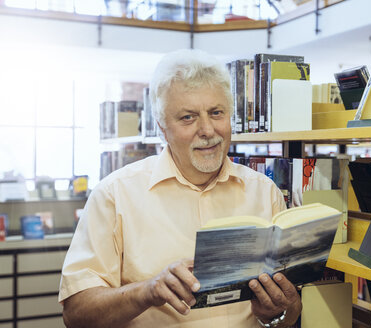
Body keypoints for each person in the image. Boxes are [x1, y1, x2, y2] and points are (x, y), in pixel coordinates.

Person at [59, 49, 302, 328]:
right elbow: (76, 314)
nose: (208, 130)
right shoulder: (114, 195)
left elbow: (289, 313)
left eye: (216, 113)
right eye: (188, 117)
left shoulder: (265, 192)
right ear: (162, 128)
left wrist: (280, 311)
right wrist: (147, 291)